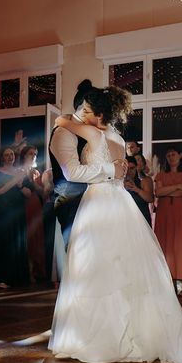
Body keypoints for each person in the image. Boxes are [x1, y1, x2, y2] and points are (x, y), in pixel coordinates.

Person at [48, 85, 182, 363]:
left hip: (98, 202)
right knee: (125, 266)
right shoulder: (119, 138)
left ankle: (101, 338)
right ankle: (134, 332)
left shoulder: (93, 133)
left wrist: (66, 120)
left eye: (87, 111)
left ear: (99, 114)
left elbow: (63, 122)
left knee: (95, 266)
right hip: (121, 202)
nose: (82, 115)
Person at [48, 79, 117, 249]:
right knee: (78, 254)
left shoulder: (87, 130)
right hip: (71, 201)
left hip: (91, 200)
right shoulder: (64, 132)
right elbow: (71, 172)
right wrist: (111, 169)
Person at [154, 148, 182, 298]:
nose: (171, 157)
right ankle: (170, 282)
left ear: (180, 155)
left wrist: (168, 190)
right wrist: (176, 187)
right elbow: (158, 193)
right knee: (166, 245)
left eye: (173, 154)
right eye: (168, 155)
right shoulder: (160, 174)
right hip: (164, 211)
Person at [0, 147, 29, 288]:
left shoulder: (21, 172)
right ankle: (3, 278)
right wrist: (15, 180)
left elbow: (28, 194)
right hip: (3, 211)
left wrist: (20, 186)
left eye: (11, 154)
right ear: (2, 157)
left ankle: (17, 277)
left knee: (17, 242)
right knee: (4, 243)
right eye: (6, 154)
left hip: (17, 211)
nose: (9, 157)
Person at [20, 145, 47, 281]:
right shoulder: (18, 170)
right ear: (24, 155)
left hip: (35, 203)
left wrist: (34, 183)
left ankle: (36, 269)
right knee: (26, 235)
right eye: (31, 153)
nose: (33, 156)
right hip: (22, 205)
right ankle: (26, 269)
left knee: (36, 236)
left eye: (35, 154)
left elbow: (43, 192)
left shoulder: (36, 172)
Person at [124, 155, 153, 226]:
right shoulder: (119, 183)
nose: (129, 171)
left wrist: (136, 189)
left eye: (132, 168)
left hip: (142, 217)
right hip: (126, 218)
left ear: (136, 167)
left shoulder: (144, 181)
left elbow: (150, 199)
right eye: (127, 169)